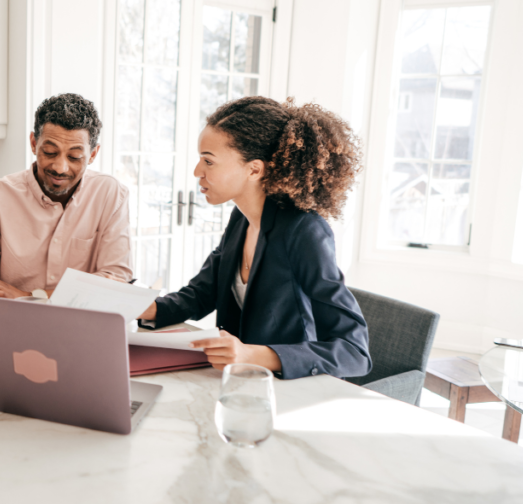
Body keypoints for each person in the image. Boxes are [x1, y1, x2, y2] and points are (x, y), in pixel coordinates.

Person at [139, 97, 372, 379]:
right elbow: (203, 293)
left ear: (254, 169)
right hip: (239, 382)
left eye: (208, 161)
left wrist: (253, 354)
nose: (197, 172)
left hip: (288, 389)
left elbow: (354, 352)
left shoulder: (304, 231)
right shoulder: (241, 218)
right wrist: (144, 307)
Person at [0, 93, 132, 298]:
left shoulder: (111, 195)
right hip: (10, 323)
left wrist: (29, 296)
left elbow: (116, 281)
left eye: (74, 157)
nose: (60, 168)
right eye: (50, 152)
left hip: (83, 325)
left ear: (93, 154)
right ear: (34, 143)